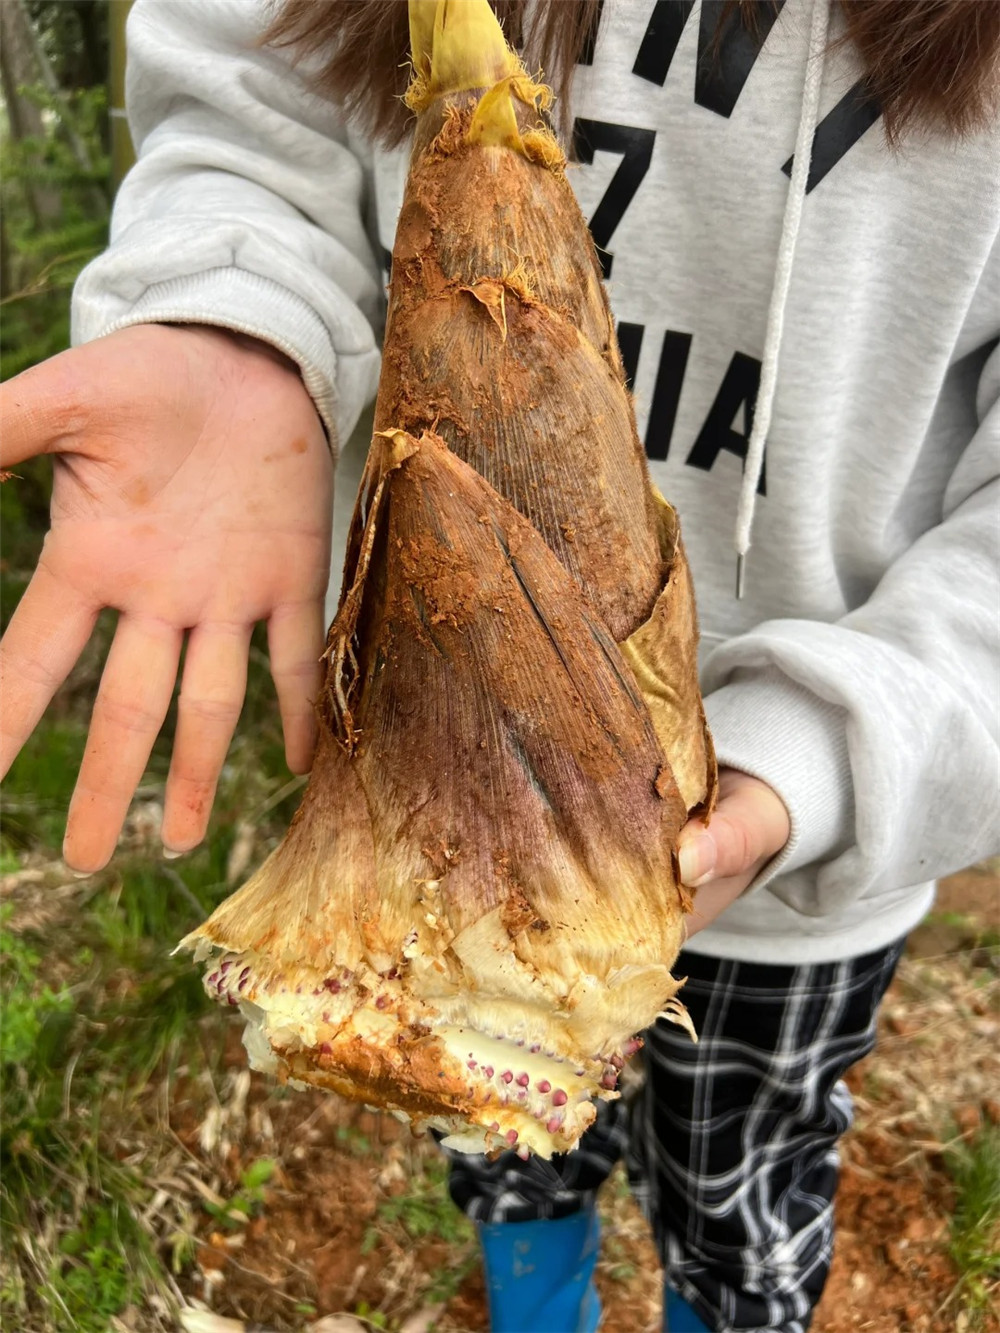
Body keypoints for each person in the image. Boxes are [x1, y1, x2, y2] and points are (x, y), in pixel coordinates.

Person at [1, 1, 997, 1329]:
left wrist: (833, 751)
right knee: (503, 1145)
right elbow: (259, 94)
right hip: (441, 833)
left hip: (815, 854)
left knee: (746, 1185)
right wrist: (237, 312)